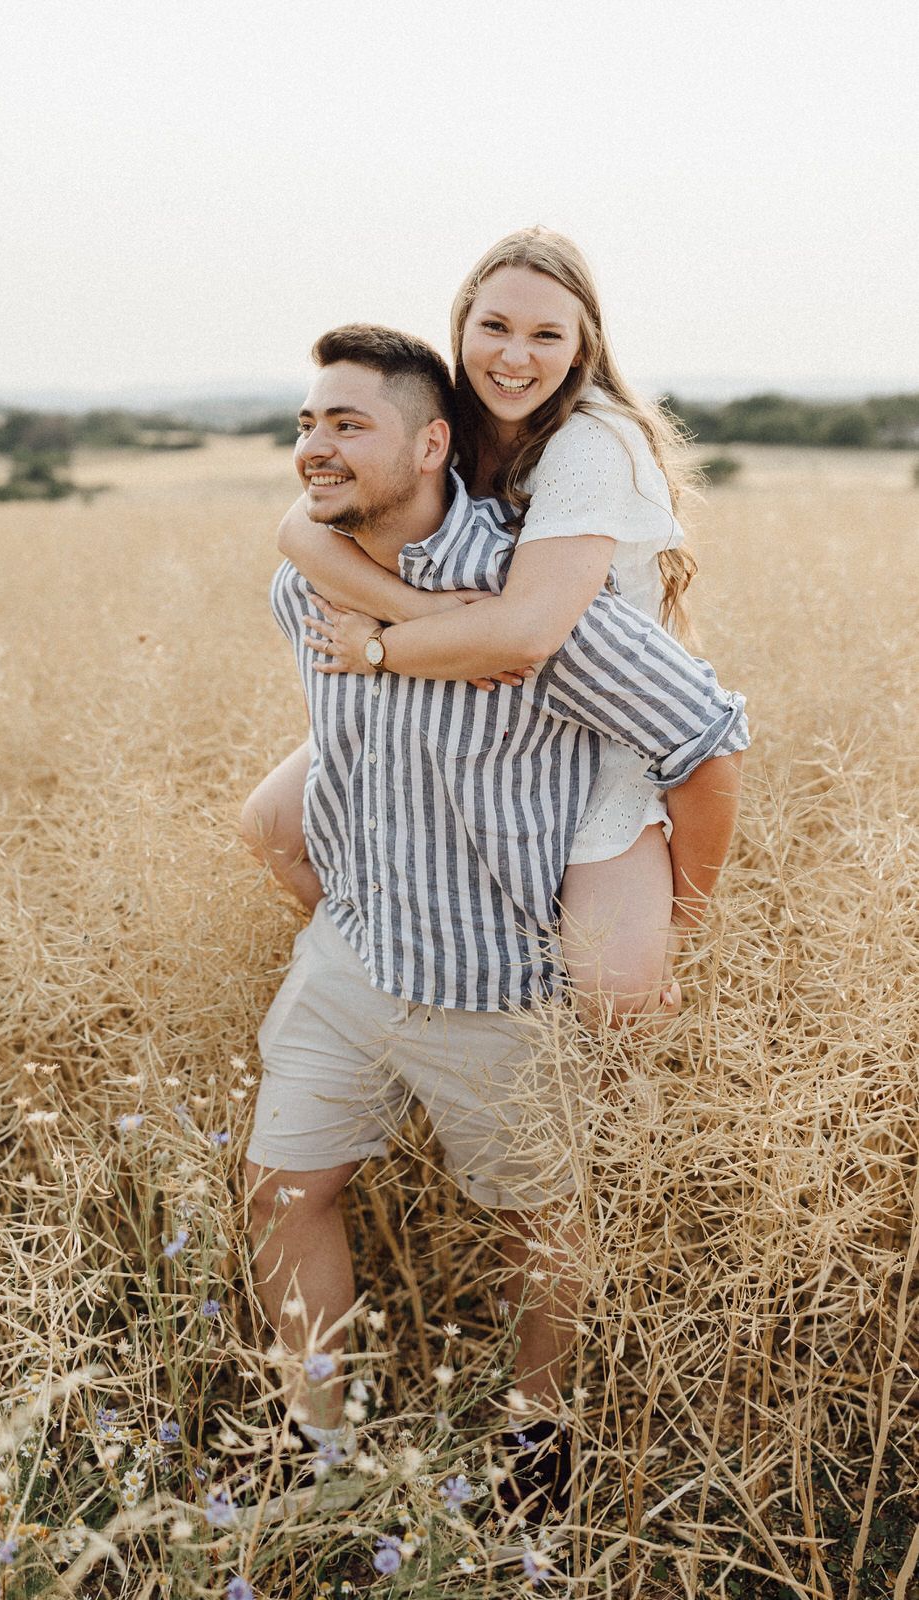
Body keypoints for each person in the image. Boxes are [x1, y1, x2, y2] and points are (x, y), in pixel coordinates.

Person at [240, 323, 748, 1521]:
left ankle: (537, 1442)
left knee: (540, 1223)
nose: (314, 445)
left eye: (345, 424)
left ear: (431, 442)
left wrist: (684, 916)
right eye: (308, 421)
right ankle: (317, 1449)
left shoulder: (532, 603)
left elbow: (705, 731)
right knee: (281, 1191)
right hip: (354, 955)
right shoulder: (302, 582)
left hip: (497, 979)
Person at [244, 227, 708, 1029]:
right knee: (275, 823)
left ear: (581, 348)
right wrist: (423, 612)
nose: (514, 356)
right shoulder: (449, 414)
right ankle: (378, 972)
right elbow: (298, 527)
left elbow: (525, 634)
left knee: (614, 994)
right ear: (460, 325)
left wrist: (379, 646)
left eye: (544, 335)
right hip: (469, 683)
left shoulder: (593, 440)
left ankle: (613, 1086)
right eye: (493, 327)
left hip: (592, 719)